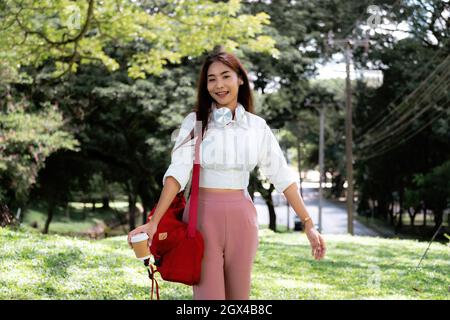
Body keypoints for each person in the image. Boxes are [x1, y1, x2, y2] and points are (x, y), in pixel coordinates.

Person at [128, 46, 326, 300]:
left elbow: (282, 177)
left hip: (242, 218)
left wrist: (308, 224)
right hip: (202, 218)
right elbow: (177, 173)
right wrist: (154, 222)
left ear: (240, 79)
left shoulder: (257, 127)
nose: (219, 85)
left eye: (225, 76)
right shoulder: (195, 122)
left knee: (239, 298)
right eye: (211, 79)